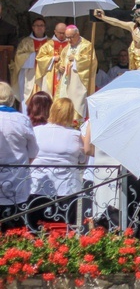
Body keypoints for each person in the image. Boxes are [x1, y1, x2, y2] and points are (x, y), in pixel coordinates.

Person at [27, 97, 86, 228]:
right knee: (63, 230)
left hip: (38, 185)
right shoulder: (75, 136)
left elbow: (29, 154)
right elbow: (82, 159)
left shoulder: (36, 131)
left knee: (35, 228)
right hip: (66, 188)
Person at [0, 81, 38, 231]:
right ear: (11, 98)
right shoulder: (22, 120)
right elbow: (33, 151)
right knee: (15, 229)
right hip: (17, 179)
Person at [56, 25, 97, 121]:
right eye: (67, 37)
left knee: (77, 105)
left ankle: (77, 123)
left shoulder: (87, 46)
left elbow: (91, 61)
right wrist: (60, 68)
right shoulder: (66, 48)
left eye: (71, 37)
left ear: (77, 34)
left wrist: (76, 60)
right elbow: (61, 61)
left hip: (79, 83)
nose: (69, 40)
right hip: (66, 82)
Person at [11, 17, 48, 111]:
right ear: (32, 27)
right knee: (28, 98)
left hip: (46, 75)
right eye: (37, 25)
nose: (39, 28)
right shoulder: (25, 42)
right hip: (29, 75)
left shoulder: (50, 42)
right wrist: (34, 55)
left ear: (45, 27)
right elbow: (18, 57)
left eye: (41, 25)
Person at [34, 22, 68, 97]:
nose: (62, 35)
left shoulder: (70, 44)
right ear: (55, 32)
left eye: (64, 33)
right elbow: (40, 58)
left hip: (66, 74)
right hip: (51, 75)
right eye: (60, 33)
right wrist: (52, 59)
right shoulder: (48, 45)